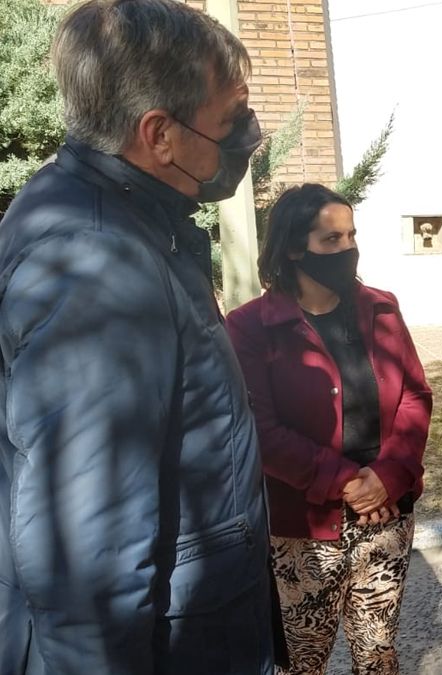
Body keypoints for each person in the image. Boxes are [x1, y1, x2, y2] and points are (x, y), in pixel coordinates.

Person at [0, 1, 276, 672]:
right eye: (231, 119)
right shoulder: (100, 267)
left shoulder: (118, 219)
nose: (250, 134)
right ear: (159, 134)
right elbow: (85, 564)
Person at [226, 184, 433, 675]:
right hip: (302, 528)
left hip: (385, 514)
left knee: (377, 656)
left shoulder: (381, 308)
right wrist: (348, 483)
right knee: (302, 660)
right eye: (331, 239)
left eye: (352, 235)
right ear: (294, 248)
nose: (347, 249)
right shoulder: (251, 327)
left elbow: (415, 396)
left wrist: (389, 475)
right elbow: (263, 430)